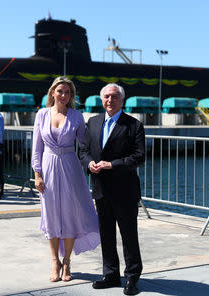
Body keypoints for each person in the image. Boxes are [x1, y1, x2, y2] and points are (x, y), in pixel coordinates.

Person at [31, 77, 100, 282]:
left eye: (67, 92)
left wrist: (98, 158)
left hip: (70, 168)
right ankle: (55, 261)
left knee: (69, 215)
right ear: (52, 92)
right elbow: (37, 148)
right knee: (51, 215)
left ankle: (67, 261)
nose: (63, 95)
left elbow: (85, 144)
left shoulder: (77, 116)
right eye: (60, 91)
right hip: (48, 167)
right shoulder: (41, 114)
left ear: (71, 96)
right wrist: (37, 174)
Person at [79, 83, 145, 295]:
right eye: (106, 96)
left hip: (125, 190)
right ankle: (110, 274)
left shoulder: (134, 125)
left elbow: (139, 156)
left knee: (128, 236)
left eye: (114, 97)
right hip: (101, 189)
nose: (110, 100)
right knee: (106, 235)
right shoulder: (93, 122)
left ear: (122, 100)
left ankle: (132, 277)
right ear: (102, 99)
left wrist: (112, 164)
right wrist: (88, 163)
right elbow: (84, 150)